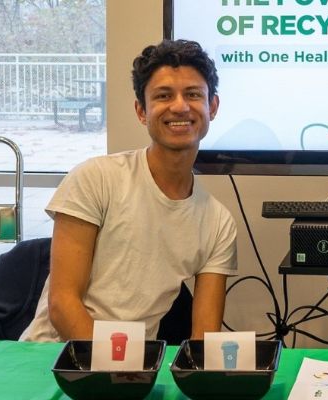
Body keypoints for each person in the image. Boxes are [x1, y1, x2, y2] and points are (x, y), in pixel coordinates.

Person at [21, 39, 238, 342]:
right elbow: (62, 305)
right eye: (163, 96)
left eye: (193, 94)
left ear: (211, 107)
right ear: (141, 111)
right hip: (51, 360)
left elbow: (204, 339)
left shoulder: (218, 223)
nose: (179, 106)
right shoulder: (95, 178)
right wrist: (115, 372)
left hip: (133, 370)